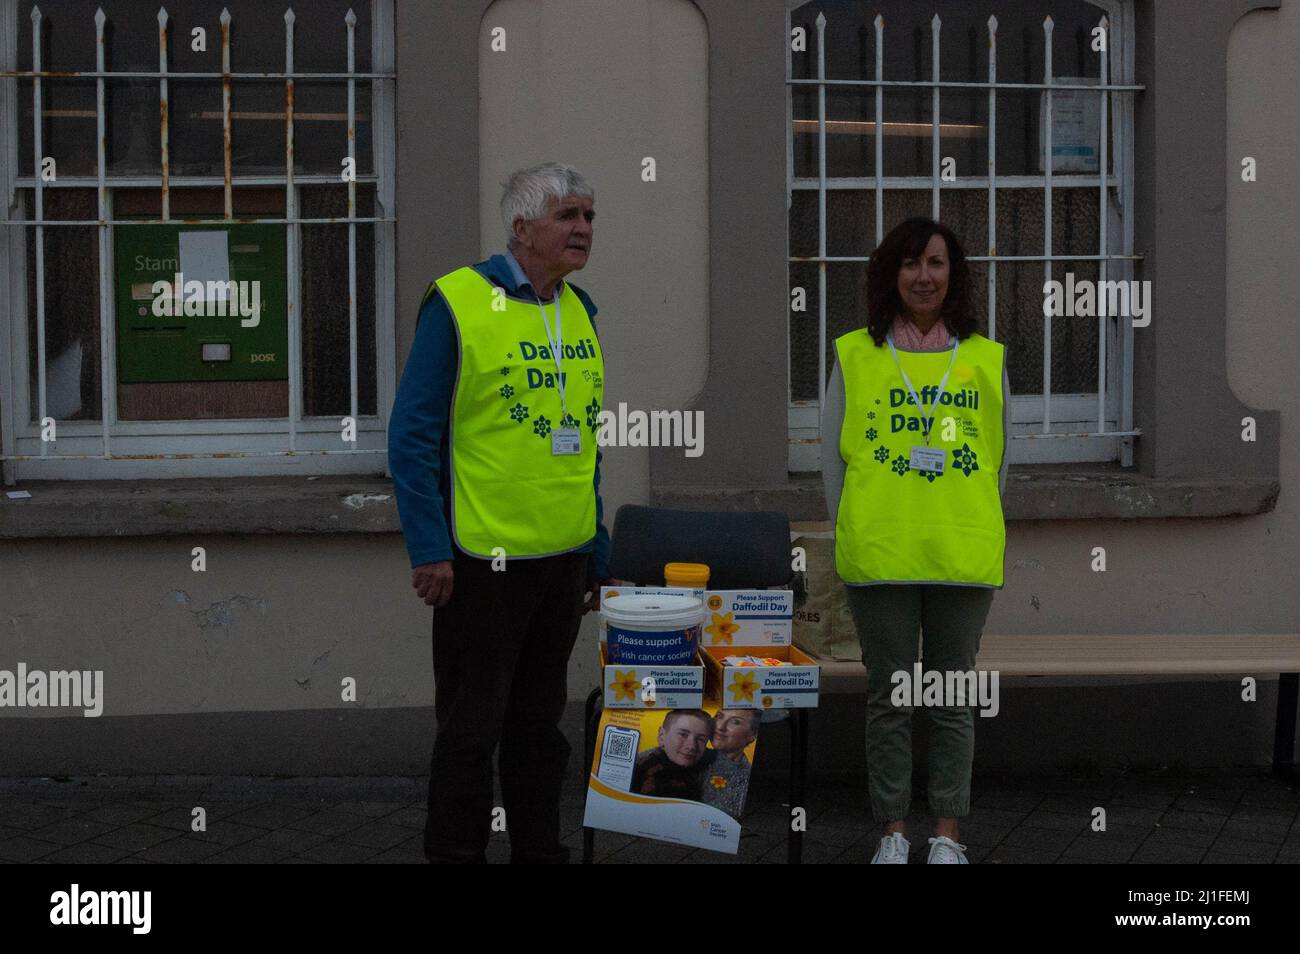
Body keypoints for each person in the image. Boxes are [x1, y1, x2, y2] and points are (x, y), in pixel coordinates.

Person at [389, 162, 616, 864]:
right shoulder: (457, 303)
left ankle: (539, 852)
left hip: (561, 560)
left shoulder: (580, 310)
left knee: (539, 732)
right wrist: (428, 546)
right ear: (522, 229)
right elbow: (412, 436)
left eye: (588, 217)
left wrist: (596, 550)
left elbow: (584, 440)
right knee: (469, 734)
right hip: (480, 564)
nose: (582, 229)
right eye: (567, 216)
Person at [821, 217, 1011, 865]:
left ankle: (947, 836)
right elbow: (831, 466)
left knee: (953, 696)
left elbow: (999, 461)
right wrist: (853, 533)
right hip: (881, 556)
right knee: (891, 698)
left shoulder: (985, 357)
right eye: (909, 264)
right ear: (889, 275)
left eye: (934, 262)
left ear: (953, 273)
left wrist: (972, 520)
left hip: (962, 555)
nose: (923, 276)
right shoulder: (855, 354)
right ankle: (893, 834)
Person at [630, 709, 713, 799]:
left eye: (701, 739)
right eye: (683, 734)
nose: (692, 746)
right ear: (662, 736)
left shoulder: (706, 761)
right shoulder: (645, 769)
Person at [697, 708, 760, 819]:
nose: (720, 727)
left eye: (735, 722)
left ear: (752, 735)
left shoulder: (746, 779)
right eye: (719, 716)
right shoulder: (690, 755)